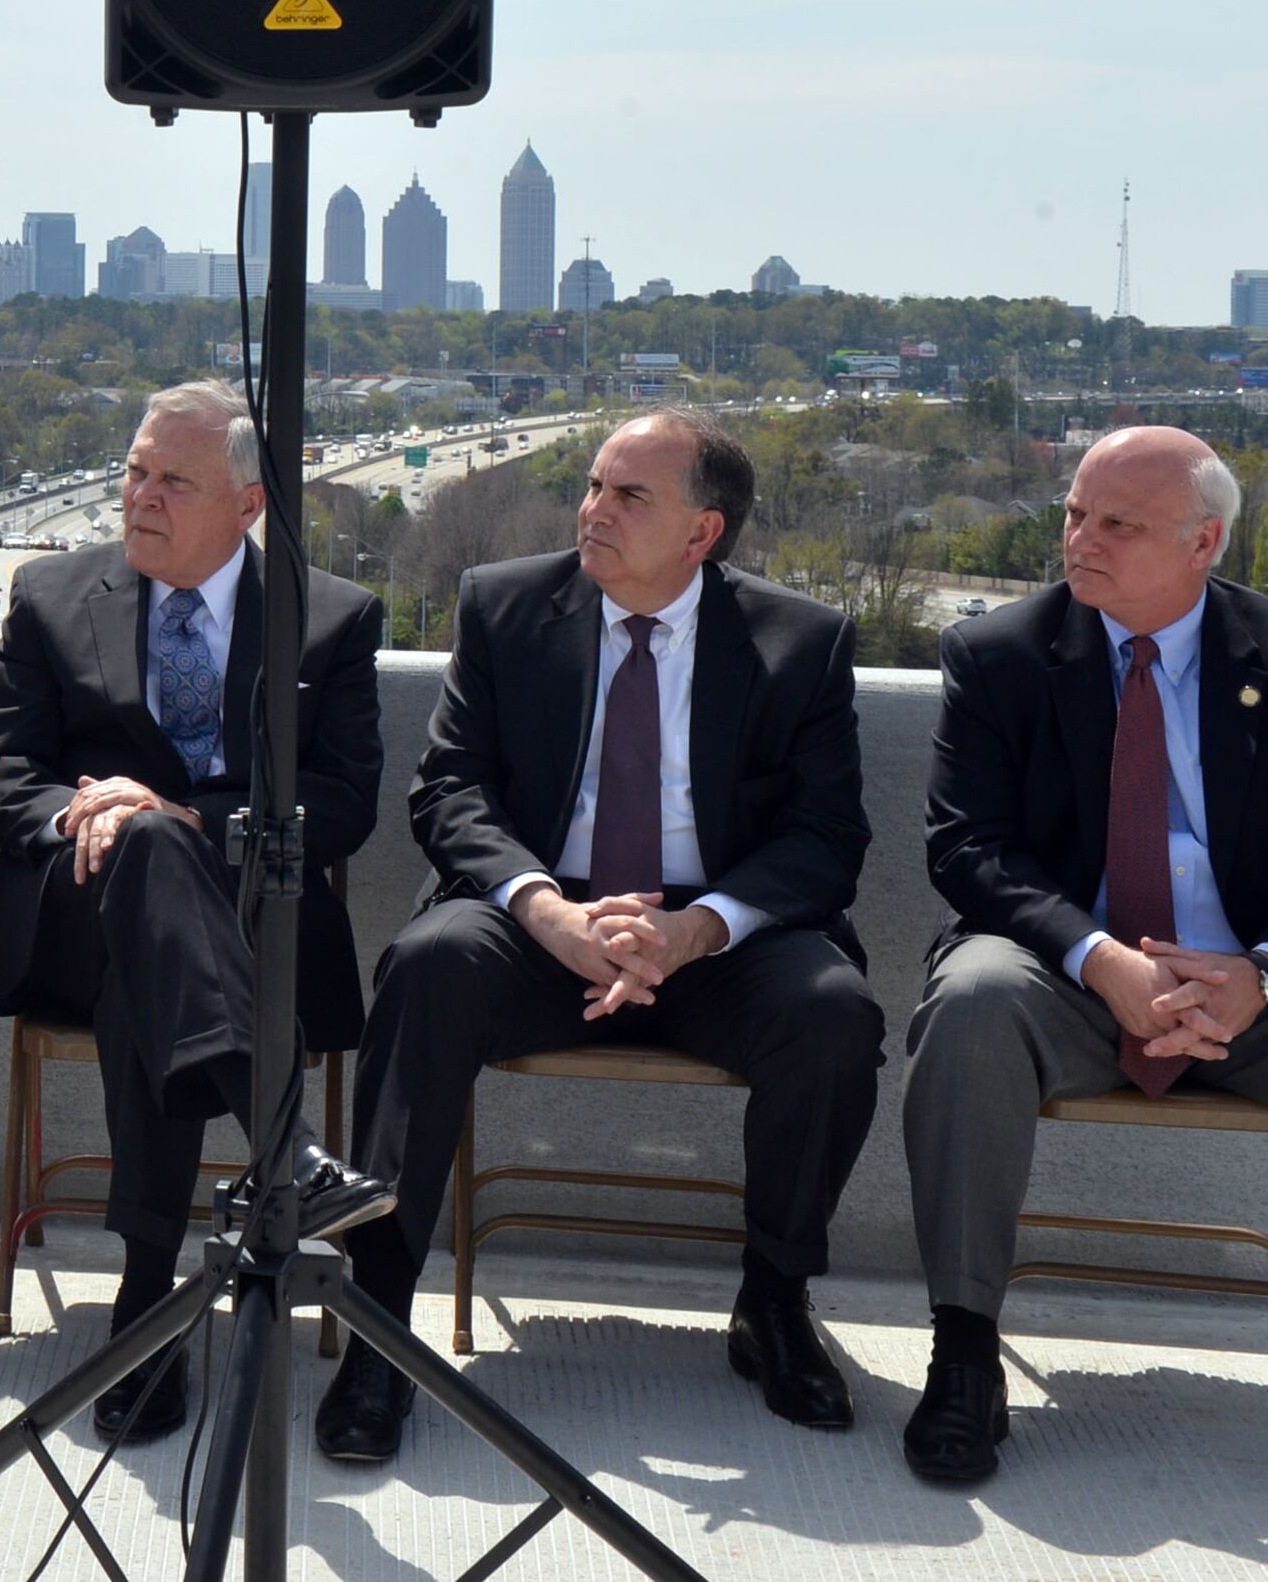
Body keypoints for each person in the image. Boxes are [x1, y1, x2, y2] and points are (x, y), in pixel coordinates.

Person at [904, 425, 1268, 1526]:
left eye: (1118, 523)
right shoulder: (1000, 655)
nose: (1081, 538)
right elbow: (967, 849)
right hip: (1070, 980)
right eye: (1076, 513)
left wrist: (1261, 972)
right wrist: (1101, 957)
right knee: (974, 998)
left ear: (1204, 541)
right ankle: (964, 1356)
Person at [325, 406, 881, 1463]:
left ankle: (774, 1301)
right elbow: (449, 791)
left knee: (833, 1014)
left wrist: (695, 929)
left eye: (630, 495)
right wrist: (545, 907)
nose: (594, 510)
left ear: (703, 532)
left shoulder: (798, 642)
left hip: (716, 932)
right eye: (592, 486)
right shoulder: (506, 606)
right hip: (544, 913)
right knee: (430, 965)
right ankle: (377, 1318)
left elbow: (824, 837)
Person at [0, 381, 390, 1445]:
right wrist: (78, 816)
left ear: (248, 505)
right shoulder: (53, 597)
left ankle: (146, 1301)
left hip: (252, 929)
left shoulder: (325, 615)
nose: (140, 496)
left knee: (147, 956)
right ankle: (283, 1148)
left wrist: (192, 823)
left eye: (174, 480)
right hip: (73, 905)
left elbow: (341, 803)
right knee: (137, 854)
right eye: (135, 471)